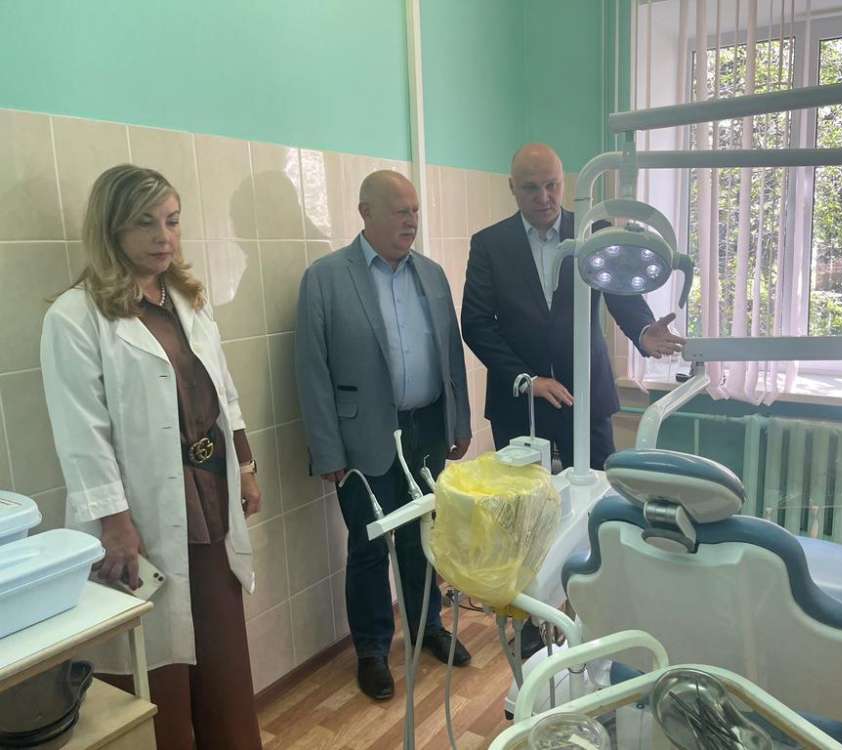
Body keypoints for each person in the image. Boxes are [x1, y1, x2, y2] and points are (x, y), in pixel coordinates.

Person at [40, 165, 262, 749]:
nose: (164, 237)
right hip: (139, 515)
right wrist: (115, 523)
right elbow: (80, 434)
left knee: (221, 651)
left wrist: (245, 467)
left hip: (209, 503)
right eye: (145, 223)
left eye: (172, 221)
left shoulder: (187, 299)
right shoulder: (75, 316)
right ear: (111, 228)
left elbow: (225, 393)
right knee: (156, 666)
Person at [461, 143, 685, 655]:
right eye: (531, 187)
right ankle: (531, 625)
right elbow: (475, 323)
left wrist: (644, 332)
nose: (544, 197)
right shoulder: (490, 244)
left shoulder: (592, 232)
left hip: (587, 394)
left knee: (606, 501)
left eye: (553, 185)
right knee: (523, 516)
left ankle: (605, 611)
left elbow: (622, 293)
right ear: (511, 188)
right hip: (522, 401)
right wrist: (527, 379)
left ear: (565, 182)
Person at [295, 170, 473, 701]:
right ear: (365, 212)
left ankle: (428, 628)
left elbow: (451, 355)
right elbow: (311, 371)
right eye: (400, 211)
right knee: (370, 543)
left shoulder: (432, 275)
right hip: (362, 437)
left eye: (415, 210)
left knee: (424, 536)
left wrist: (460, 422)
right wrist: (327, 449)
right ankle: (372, 650)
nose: (411, 220)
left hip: (426, 428)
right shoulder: (326, 278)